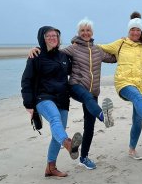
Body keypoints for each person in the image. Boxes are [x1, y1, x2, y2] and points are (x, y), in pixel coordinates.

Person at [29, 19, 117, 170]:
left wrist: (125, 47)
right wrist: (36, 49)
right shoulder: (72, 49)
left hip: (93, 89)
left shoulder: (98, 50)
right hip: (76, 86)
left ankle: (83, 158)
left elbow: (114, 58)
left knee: (89, 126)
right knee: (87, 98)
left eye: (88, 30)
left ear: (92, 32)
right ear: (78, 33)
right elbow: (53, 52)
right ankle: (103, 116)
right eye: (82, 30)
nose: (85, 33)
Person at [98, 12, 142, 160]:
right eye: (132, 30)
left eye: (138, 30)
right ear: (128, 31)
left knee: (137, 119)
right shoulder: (120, 43)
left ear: (141, 32)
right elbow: (99, 48)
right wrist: (79, 43)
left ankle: (132, 149)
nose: (135, 32)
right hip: (124, 82)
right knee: (135, 96)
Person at [21, 26, 82, 178]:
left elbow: (76, 66)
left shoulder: (63, 57)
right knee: (55, 120)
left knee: (57, 131)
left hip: (62, 98)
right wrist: (28, 104)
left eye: (55, 35)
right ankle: (68, 144)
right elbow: (26, 80)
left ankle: (51, 167)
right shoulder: (36, 56)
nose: (52, 38)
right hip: (43, 98)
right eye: (49, 36)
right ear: (42, 38)